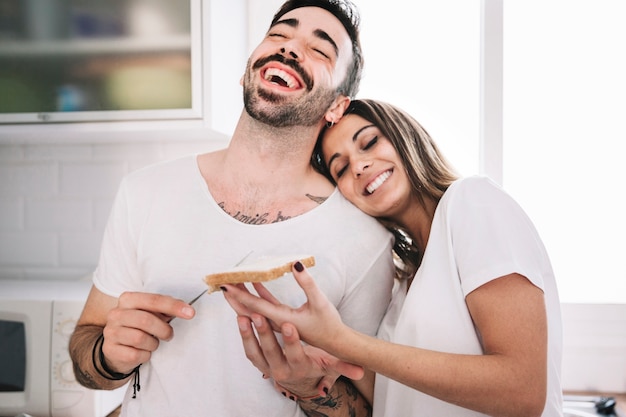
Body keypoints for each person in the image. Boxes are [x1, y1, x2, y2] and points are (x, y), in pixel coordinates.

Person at [68, 3, 396, 416]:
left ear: (336, 107)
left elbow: (369, 410)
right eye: (279, 35)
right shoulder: (144, 192)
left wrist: (310, 390)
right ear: (247, 70)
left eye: (320, 49)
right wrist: (107, 358)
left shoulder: (365, 239)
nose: (291, 48)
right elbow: (86, 352)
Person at [222, 99, 564, 417]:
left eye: (369, 143)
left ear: (405, 136)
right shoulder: (403, 280)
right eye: (340, 169)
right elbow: (396, 400)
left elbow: (523, 390)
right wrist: (317, 374)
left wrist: (342, 340)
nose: (358, 166)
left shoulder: (473, 201)